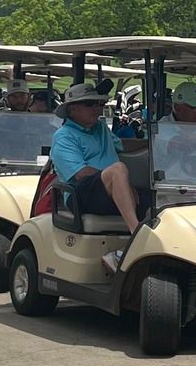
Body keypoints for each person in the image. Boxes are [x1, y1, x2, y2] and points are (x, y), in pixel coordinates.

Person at [49, 82, 142, 270]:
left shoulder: (100, 128)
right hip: (80, 194)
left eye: (98, 104)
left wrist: (157, 145)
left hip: (108, 189)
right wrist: (118, 180)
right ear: (72, 109)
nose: (97, 108)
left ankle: (123, 254)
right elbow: (81, 174)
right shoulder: (64, 136)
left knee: (160, 205)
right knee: (118, 169)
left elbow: (124, 145)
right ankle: (137, 237)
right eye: (90, 104)